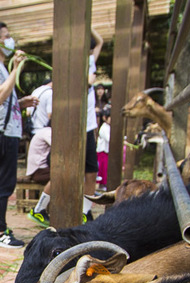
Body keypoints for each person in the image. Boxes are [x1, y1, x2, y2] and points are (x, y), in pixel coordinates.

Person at [0, 21, 38, 248]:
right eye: (6, 36)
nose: (10, 39)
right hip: (2, 134)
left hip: (3, 132)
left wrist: (20, 103)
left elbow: (1, 102)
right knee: (4, 184)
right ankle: (0, 232)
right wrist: (16, 69)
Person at [82, 28, 104, 223]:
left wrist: (87, 25)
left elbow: (100, 42)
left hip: (88, 127)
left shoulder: (89, 60)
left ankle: (85, 210)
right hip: (76, 127)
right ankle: (41, 208)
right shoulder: (72, 64)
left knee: (91, 171)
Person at [25, 126, 53, 228]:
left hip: (40, 169)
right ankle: (39, 209)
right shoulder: (48, 132)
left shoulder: (45, 131)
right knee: (59, 177)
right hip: (37, 171)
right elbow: (61, 147)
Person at [96, 104, 111, 189]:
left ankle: (103, 184)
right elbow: (109, 139)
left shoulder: (108, 127)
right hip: (102, 151)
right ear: (105, 118)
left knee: (105, 169)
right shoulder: (104, 128)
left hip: (106, 151)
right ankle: (101, 184)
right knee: (102, 169)